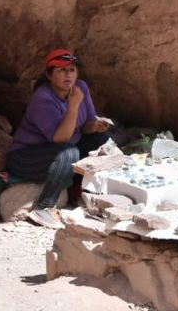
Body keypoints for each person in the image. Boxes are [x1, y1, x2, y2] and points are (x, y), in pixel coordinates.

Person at [6, 49, 111, 228]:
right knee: (70, 153)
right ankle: (43, 208)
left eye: (71, 70)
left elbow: (85, 125)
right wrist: (74, 104)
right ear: (49, 75)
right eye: (61, 70)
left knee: (101, 139)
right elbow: (60, 138)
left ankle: (81, 192)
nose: (68, 75)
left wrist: (94, 126)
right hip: (26, 158)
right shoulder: (42, 98)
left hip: (58, 151)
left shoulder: (81, 87)